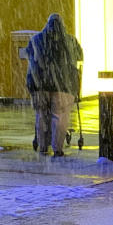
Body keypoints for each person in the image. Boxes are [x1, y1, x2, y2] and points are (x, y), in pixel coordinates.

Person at [25, 13, 83, 157]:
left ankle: (43, 146)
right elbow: (80, 57)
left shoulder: (36, 40)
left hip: (40, 84)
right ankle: (58, 149)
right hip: (63, 85)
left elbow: (30, 58)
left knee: (41, 115)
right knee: (59, 115)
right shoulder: (70, 40)